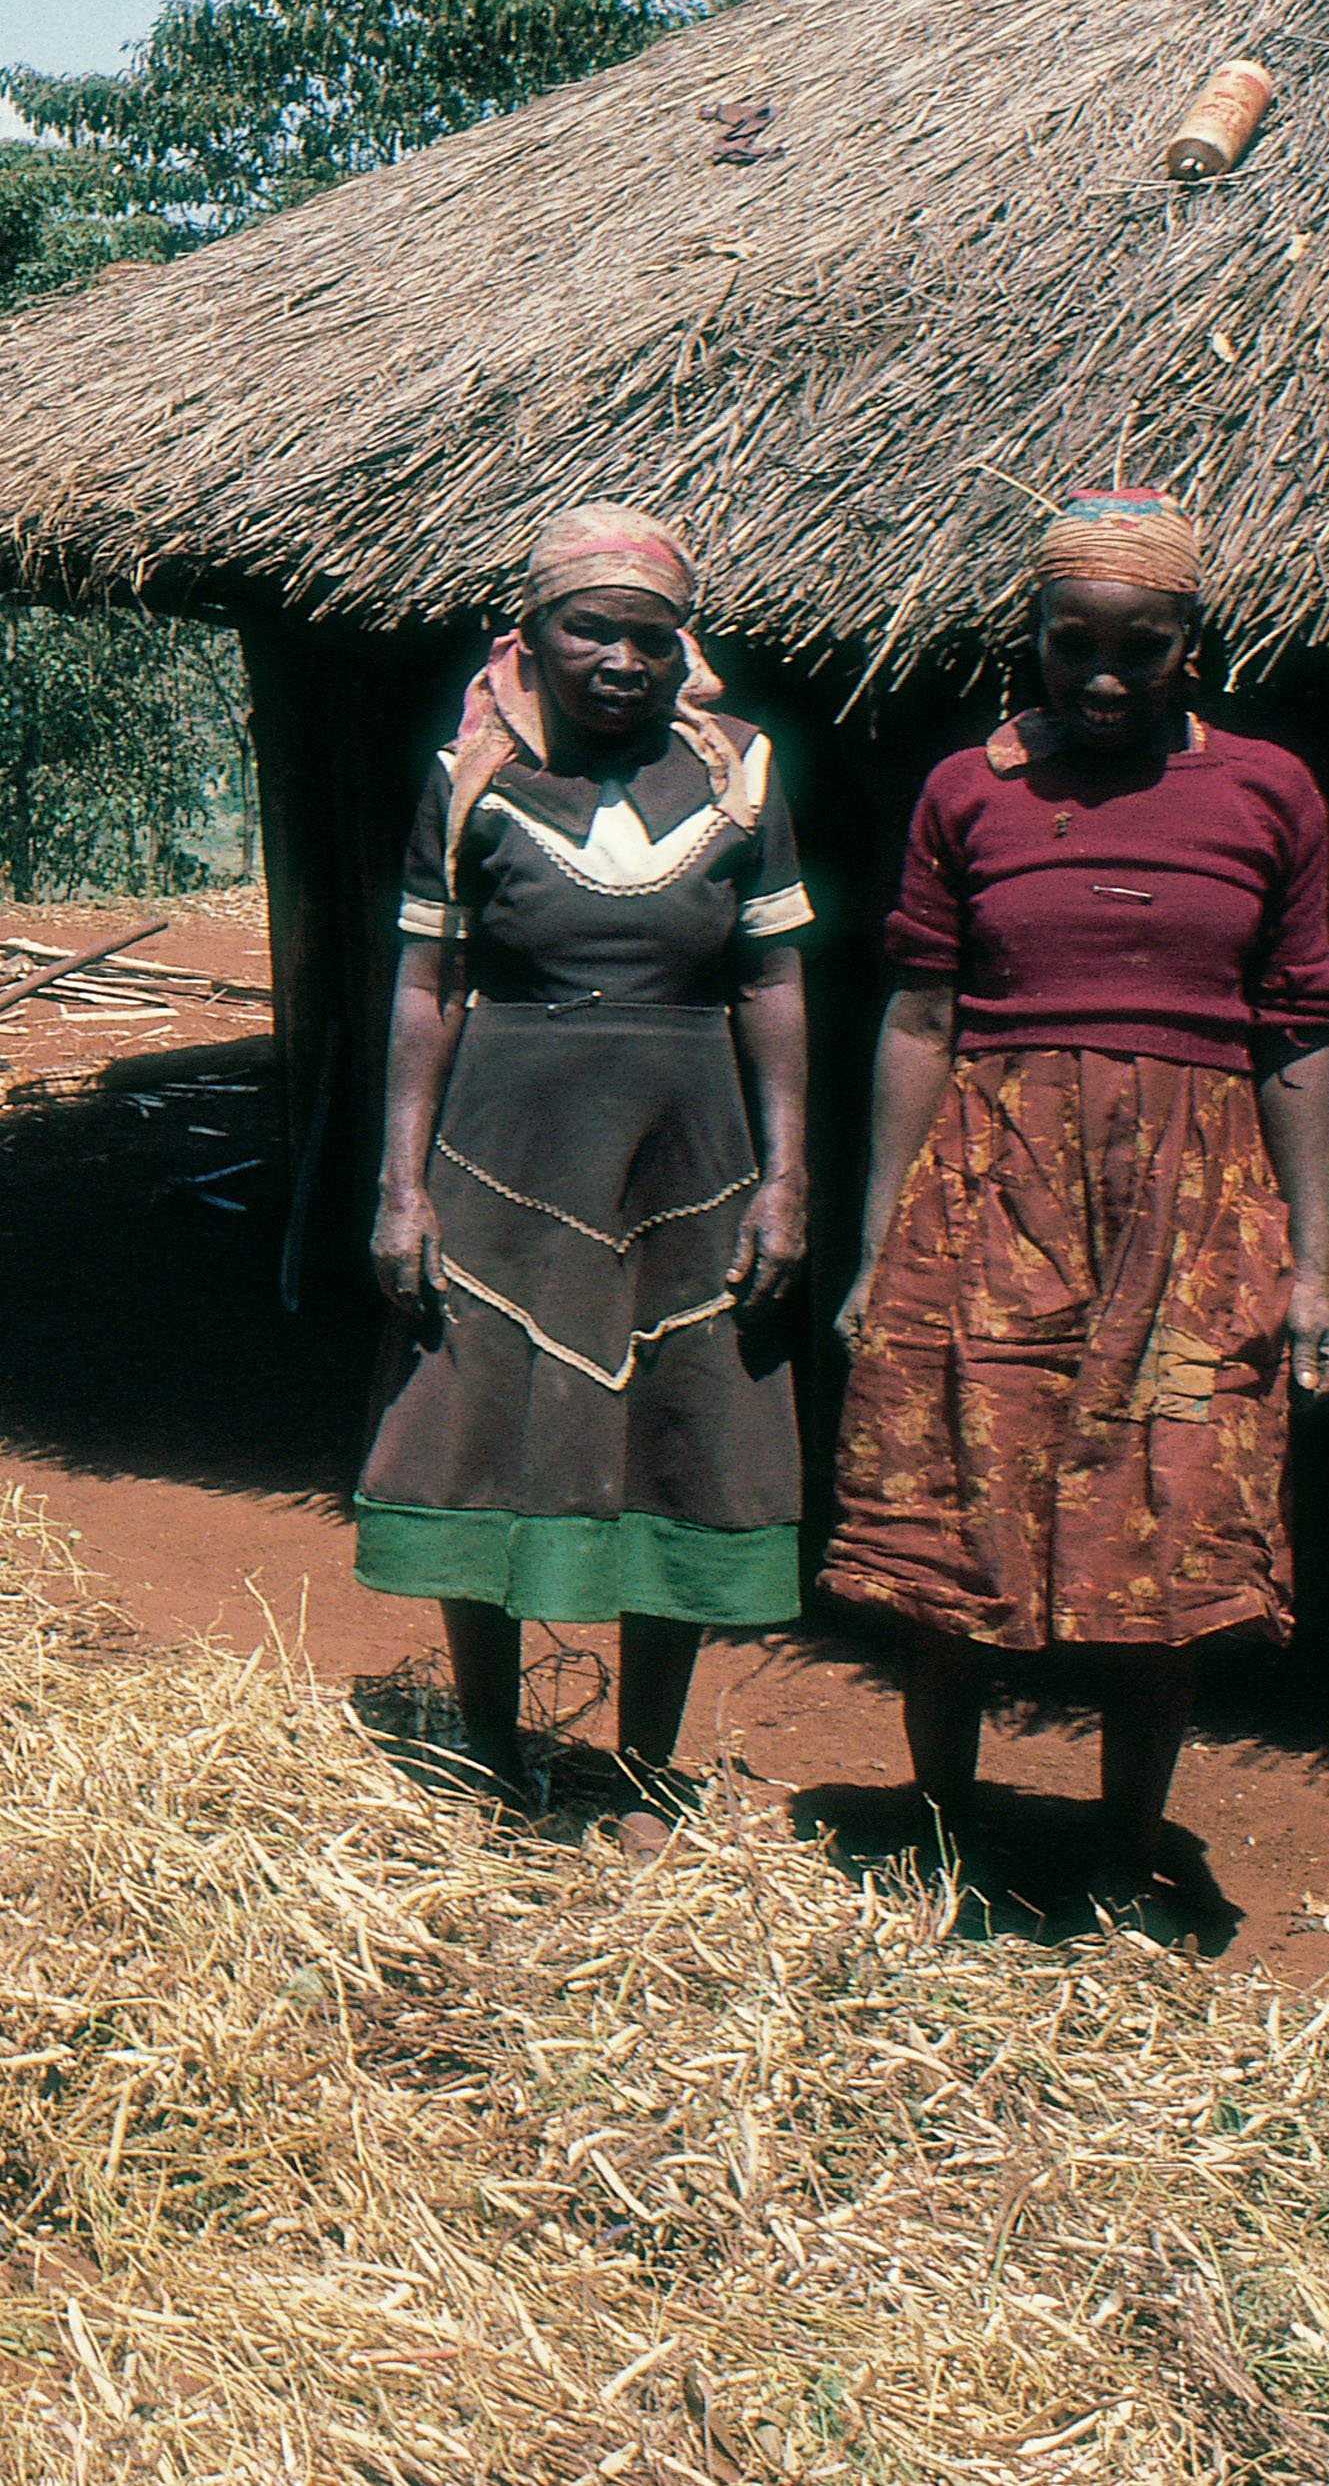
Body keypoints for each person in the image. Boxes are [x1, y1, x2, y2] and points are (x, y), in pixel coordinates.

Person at [824, 490, 1329, 1917]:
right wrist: (878, 1243)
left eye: (1144, 646)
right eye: (1074, 645)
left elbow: (1298, 1028)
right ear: (1032, 641)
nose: (1106, 676)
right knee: (955, 1518)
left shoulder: (1267, 791)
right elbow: (920, 1017)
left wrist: (1312, 1266)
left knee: (1170, 1523)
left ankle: (1124, 1850)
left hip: (1199, 1203)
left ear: (1195, 642)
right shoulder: (966, 791)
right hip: (992, 1196)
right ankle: (941, 1825)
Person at [359, 502, 816, 1815]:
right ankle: (491, 1750)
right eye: (591, 629)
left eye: (653, 637)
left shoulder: (739, 774)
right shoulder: (471, 779)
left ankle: (647, 1762)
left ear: (686, 648)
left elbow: (773, 981)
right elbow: (427, 985)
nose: (623, 659)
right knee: (485, 1417)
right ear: (532, 632)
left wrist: (786, 1173)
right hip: (507, 1144)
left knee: (682, 1423)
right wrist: (403, 1183)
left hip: (692, 1145)